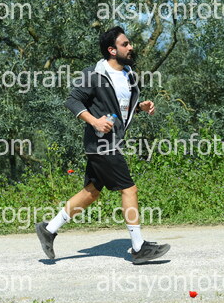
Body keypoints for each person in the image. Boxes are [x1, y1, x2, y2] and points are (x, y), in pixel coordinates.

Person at [35, 26, 170, 264]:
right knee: (129, 189)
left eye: (129, 43)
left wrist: (140, 107)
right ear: (112, 50)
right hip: (101, 143)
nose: (131, 47)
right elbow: (72, 101)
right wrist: (95, 121)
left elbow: (121, 106)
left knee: (91, 192)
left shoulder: (129, 74)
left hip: (112, 141)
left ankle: (49, 229)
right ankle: (139, 247)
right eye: (125, 44)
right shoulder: (95, 74)